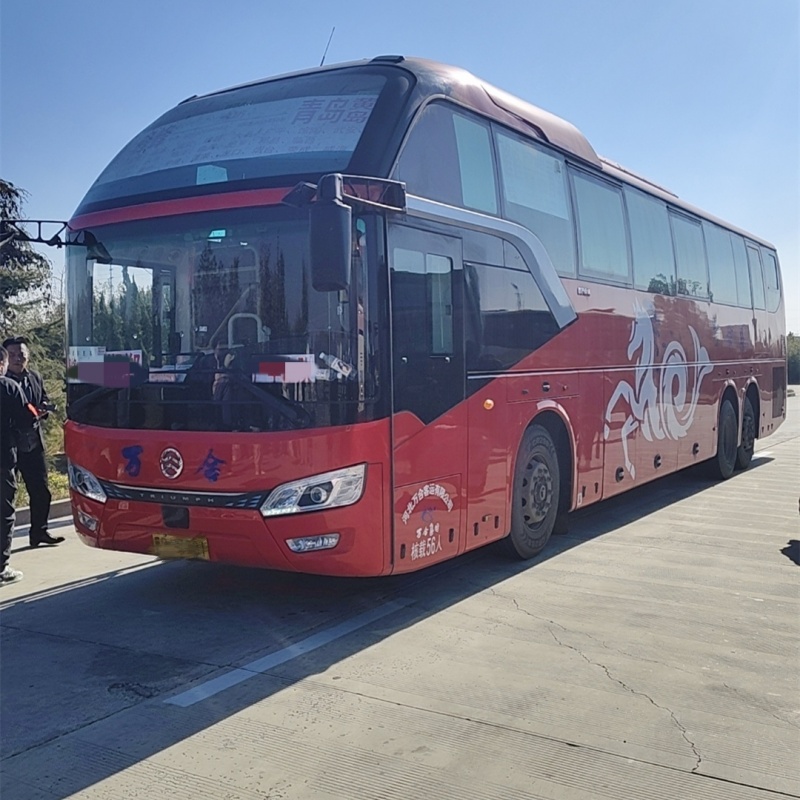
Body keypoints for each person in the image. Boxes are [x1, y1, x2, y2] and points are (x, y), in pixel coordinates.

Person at [2, 336, 64, 547]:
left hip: (33, 442)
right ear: (4, 358)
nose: (18, 359)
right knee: (6, 496)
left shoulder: (34, 377)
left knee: (41, 491)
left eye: (22, 355)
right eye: (13, 355)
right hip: (10, 445)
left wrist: (44, 408)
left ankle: (39, 531)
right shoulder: (3, 384)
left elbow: (42, 399)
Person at [1, 345, 40, 583]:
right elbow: (30, 417)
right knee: (4, 512)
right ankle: (2, 567)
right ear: (2, 364)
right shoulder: (8, 387)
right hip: (3, 459)